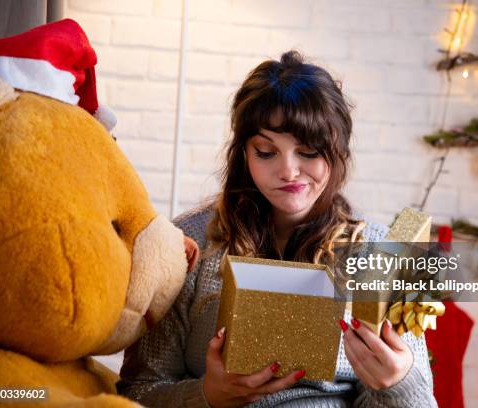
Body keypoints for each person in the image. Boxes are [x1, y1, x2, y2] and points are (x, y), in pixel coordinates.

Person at [117, 50, 437, 408]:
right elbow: (138, 391)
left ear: (338, 150)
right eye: (266, 152)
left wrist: (398, 382)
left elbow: (421, 401)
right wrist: (208, 395)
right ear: (243, 154)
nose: (288, 171)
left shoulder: (377, 253)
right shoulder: (190, 245)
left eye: (309, 152)